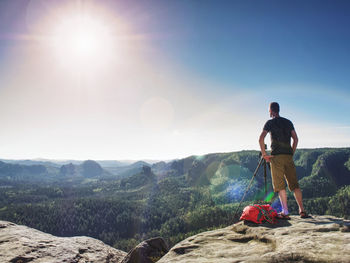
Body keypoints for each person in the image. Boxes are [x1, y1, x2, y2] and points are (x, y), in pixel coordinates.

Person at [259, 102, 308, 219]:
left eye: (269, 111)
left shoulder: (269, 123)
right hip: (288, 156)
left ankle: (285, 212)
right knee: (294, 184)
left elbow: (261, 138)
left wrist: (264, 154)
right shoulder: (288, 122)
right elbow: (296, 139)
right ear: (279, 110)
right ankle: (302, 210)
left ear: (271, 111)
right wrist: (291, 152)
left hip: (276, 157)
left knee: (280, 186)